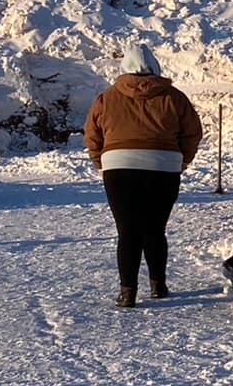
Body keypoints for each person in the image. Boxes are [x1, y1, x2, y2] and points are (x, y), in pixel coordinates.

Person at [84, 42, 204, 306]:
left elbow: (92, 134)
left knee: (127, 231)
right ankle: (158, 284)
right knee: (155, 229)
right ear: (154, 66)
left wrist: (100, 161)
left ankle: (128, 292)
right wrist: (181, 160)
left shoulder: (106, 97)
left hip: (118, 167)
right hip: (164, 166)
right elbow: (193, 132)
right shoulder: (174, 97)